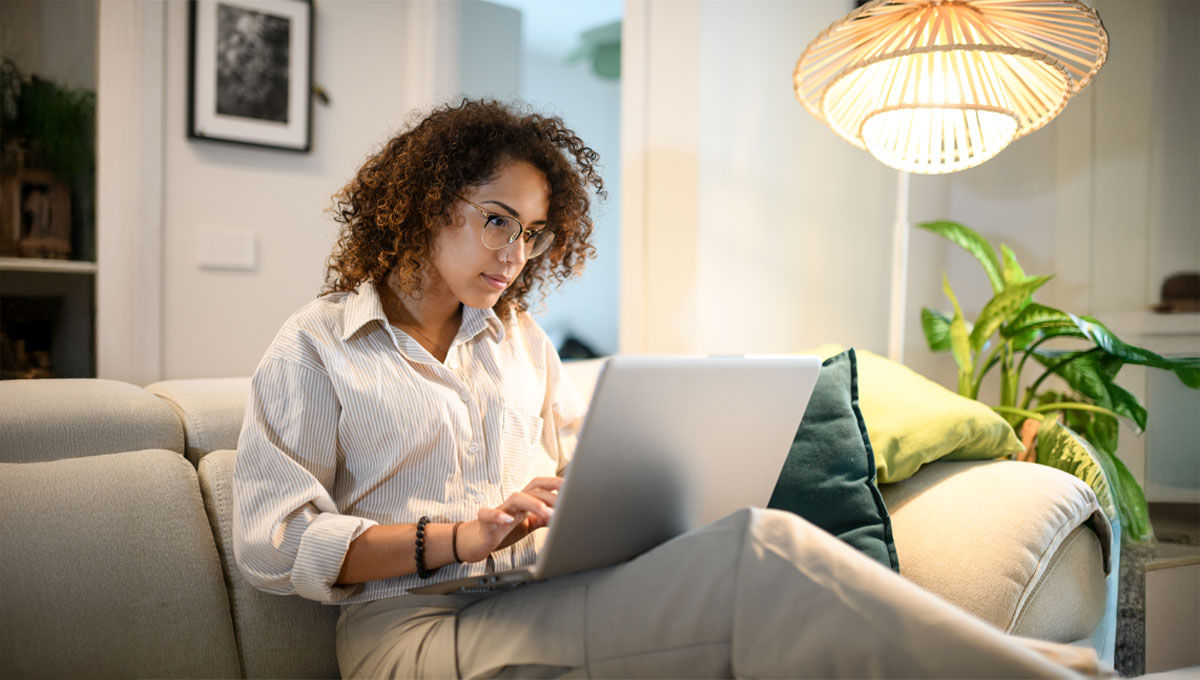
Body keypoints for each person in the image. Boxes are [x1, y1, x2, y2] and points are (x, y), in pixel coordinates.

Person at [233, 99, 1101, 679]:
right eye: (497, 220)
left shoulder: (518, 342)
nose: (515, 254)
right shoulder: (316, 348)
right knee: (756, 559)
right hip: (408, 638)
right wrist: (460, 535)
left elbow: (576, 477)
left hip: (530, 596)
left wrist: (591, 499)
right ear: (427, 205)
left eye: (533, 233)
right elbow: (275, 545)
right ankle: (1048, 673)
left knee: (751, 538)